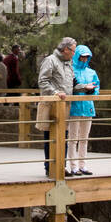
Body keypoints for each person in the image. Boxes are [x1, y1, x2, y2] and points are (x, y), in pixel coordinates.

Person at [37, 37, 76, 177]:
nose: (74, 54)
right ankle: (49, 166)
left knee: (63, 136)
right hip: (51, 105)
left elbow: (71, 83)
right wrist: (55, 92)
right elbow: (43, 81)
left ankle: (61, 166)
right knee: (50, 136)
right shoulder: (50, 60)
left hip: (64, 106)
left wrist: (84, 87)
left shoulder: (69, 63)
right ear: (66, 49)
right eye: (73, 51)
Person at [68, 44, 99, 175]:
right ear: (77, 57)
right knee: (73, 139)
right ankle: (73, 166)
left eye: (87, 57)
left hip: (88, 108)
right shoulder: (70, 71)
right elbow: (69, 88)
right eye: (82, 57)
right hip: (74, 108)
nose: (84, 60)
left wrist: (91, 91)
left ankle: (83, 165)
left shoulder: (92, 72)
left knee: (84, 139)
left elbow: (96, 88)